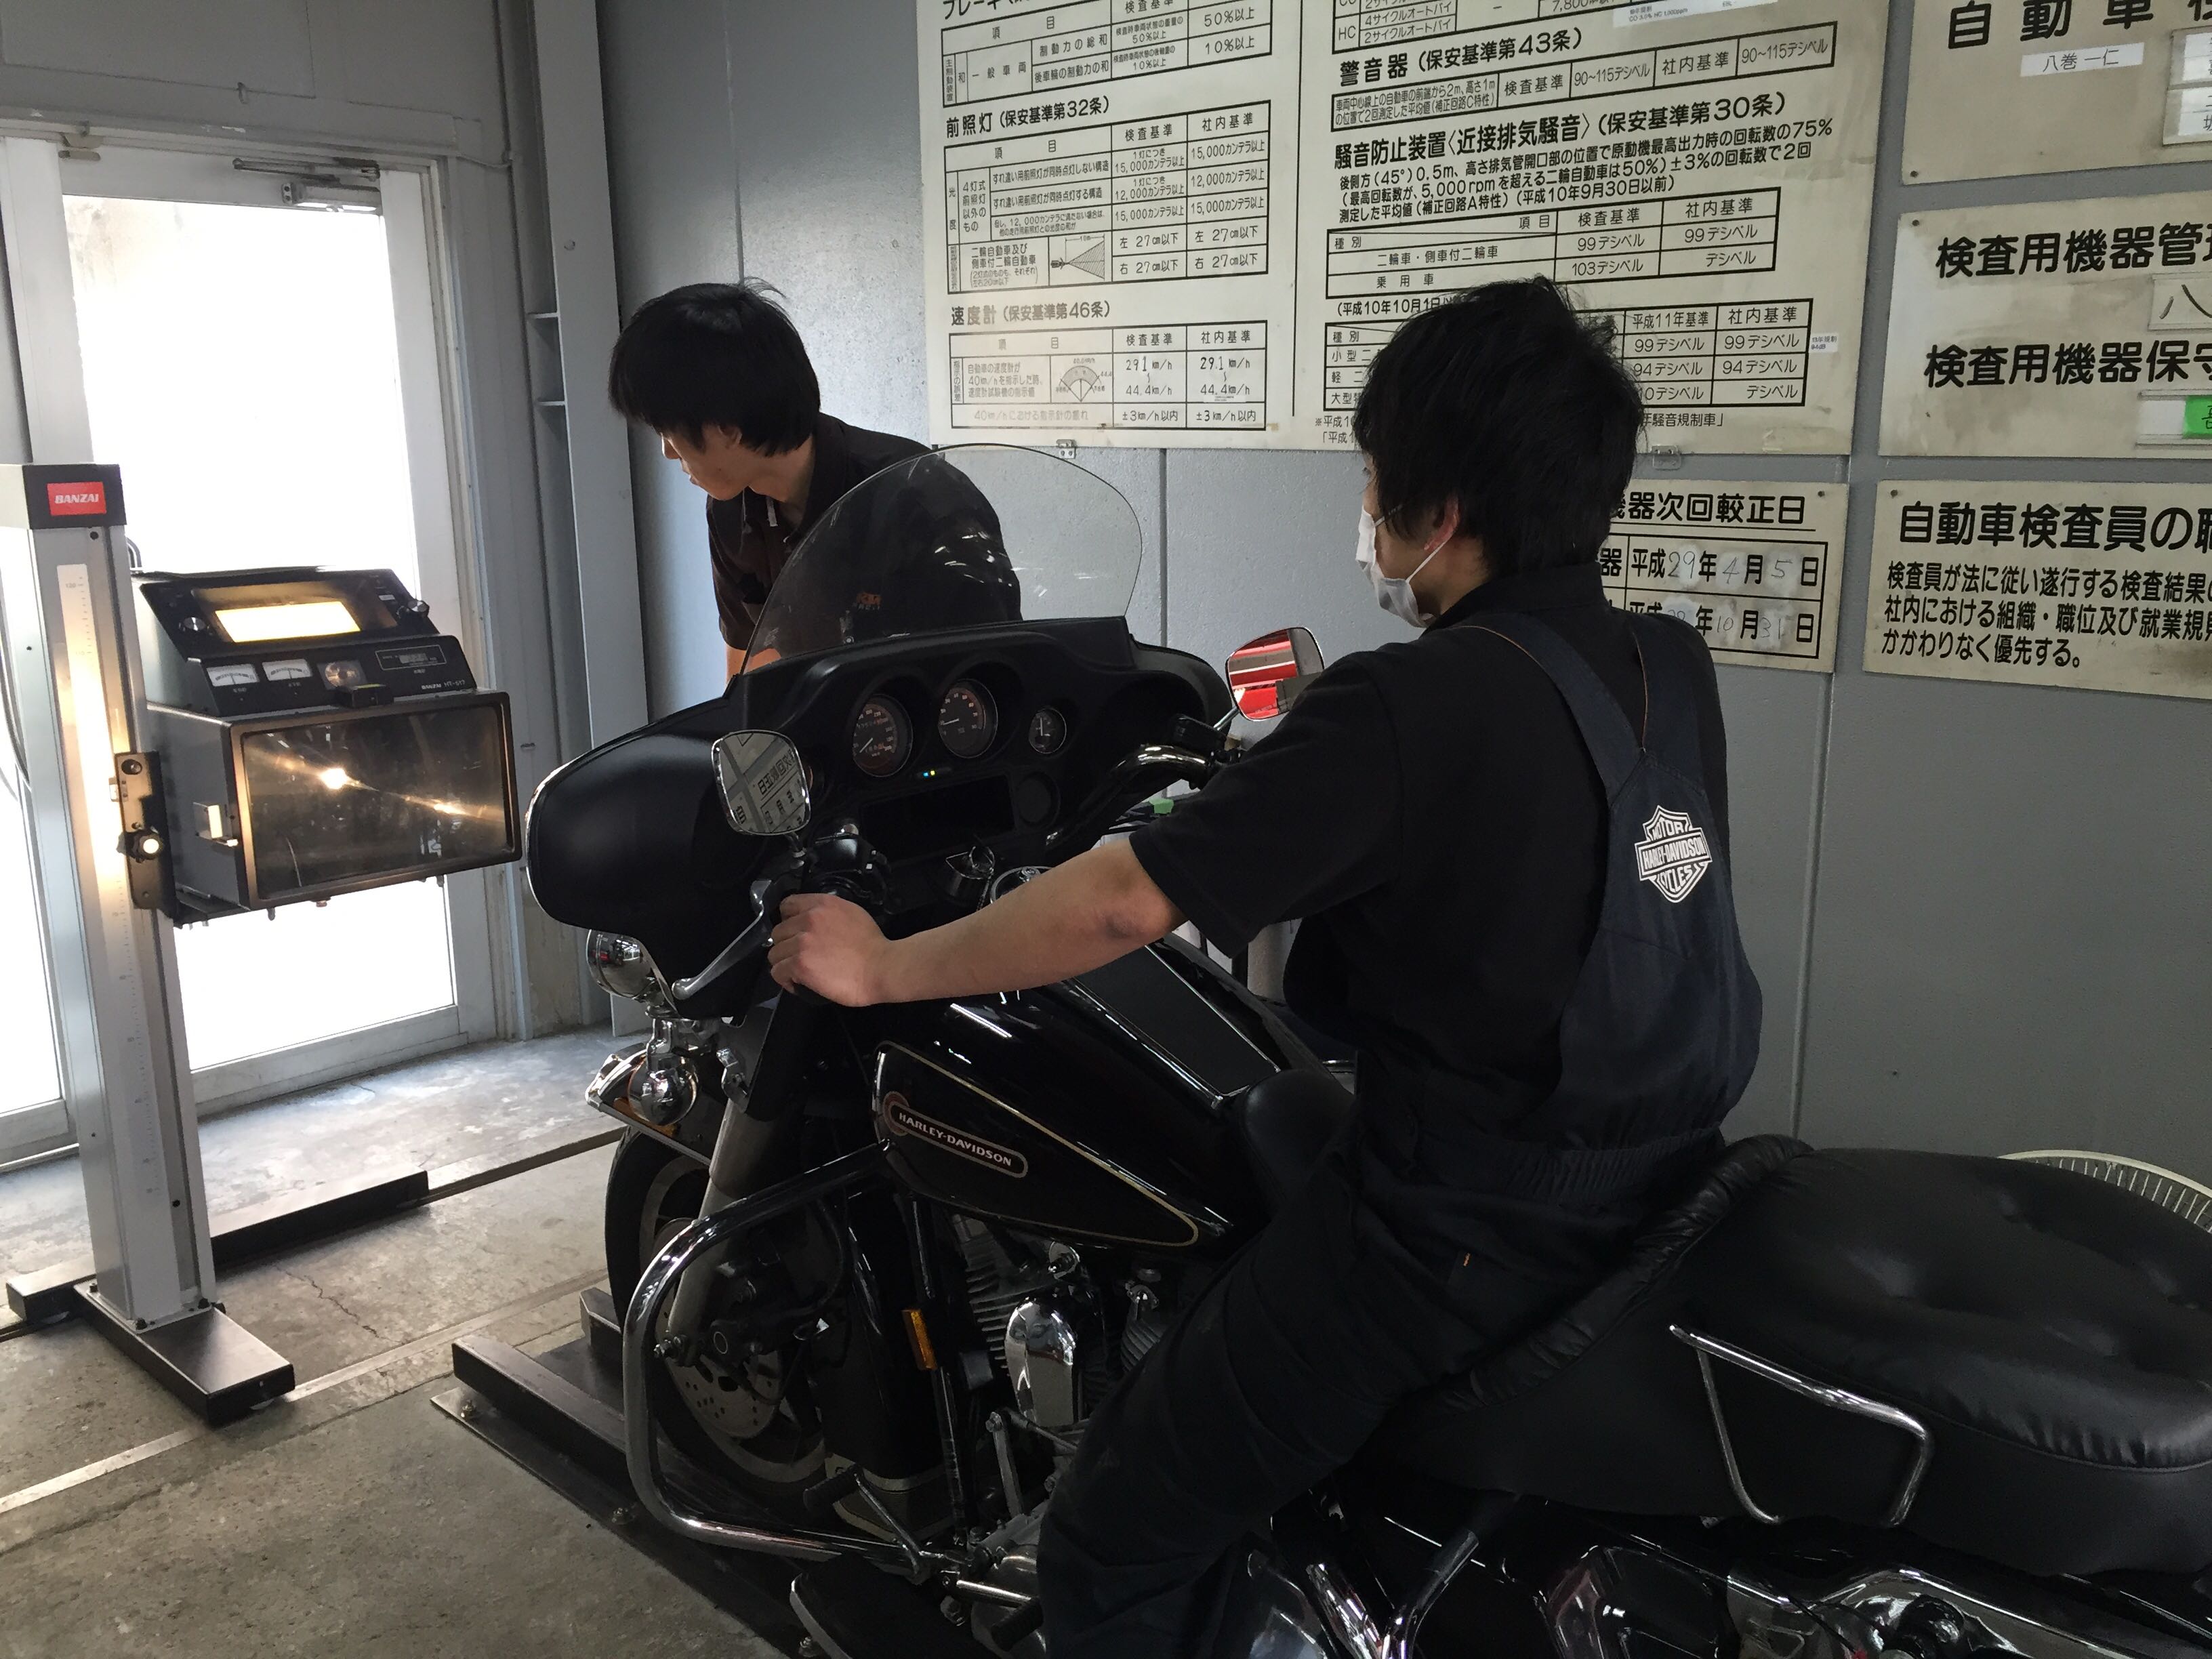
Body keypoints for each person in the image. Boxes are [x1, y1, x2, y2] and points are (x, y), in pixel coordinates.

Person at [762, 276, 1762, 1657]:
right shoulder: (1667, 664)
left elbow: (1120, 904)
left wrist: (881, 966)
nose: (1369, 514)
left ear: (1439, 509)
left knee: (1111, 1536)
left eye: (1374, 478)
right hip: (1663, 1184)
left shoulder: (1414, 699)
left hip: (1459, 1233)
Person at [607, 281, 926, 677]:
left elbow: (980, 672)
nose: (668, 453)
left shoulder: (912, 493)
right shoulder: (730, 508)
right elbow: (747, 664)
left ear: (726, 428)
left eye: (668, 432)